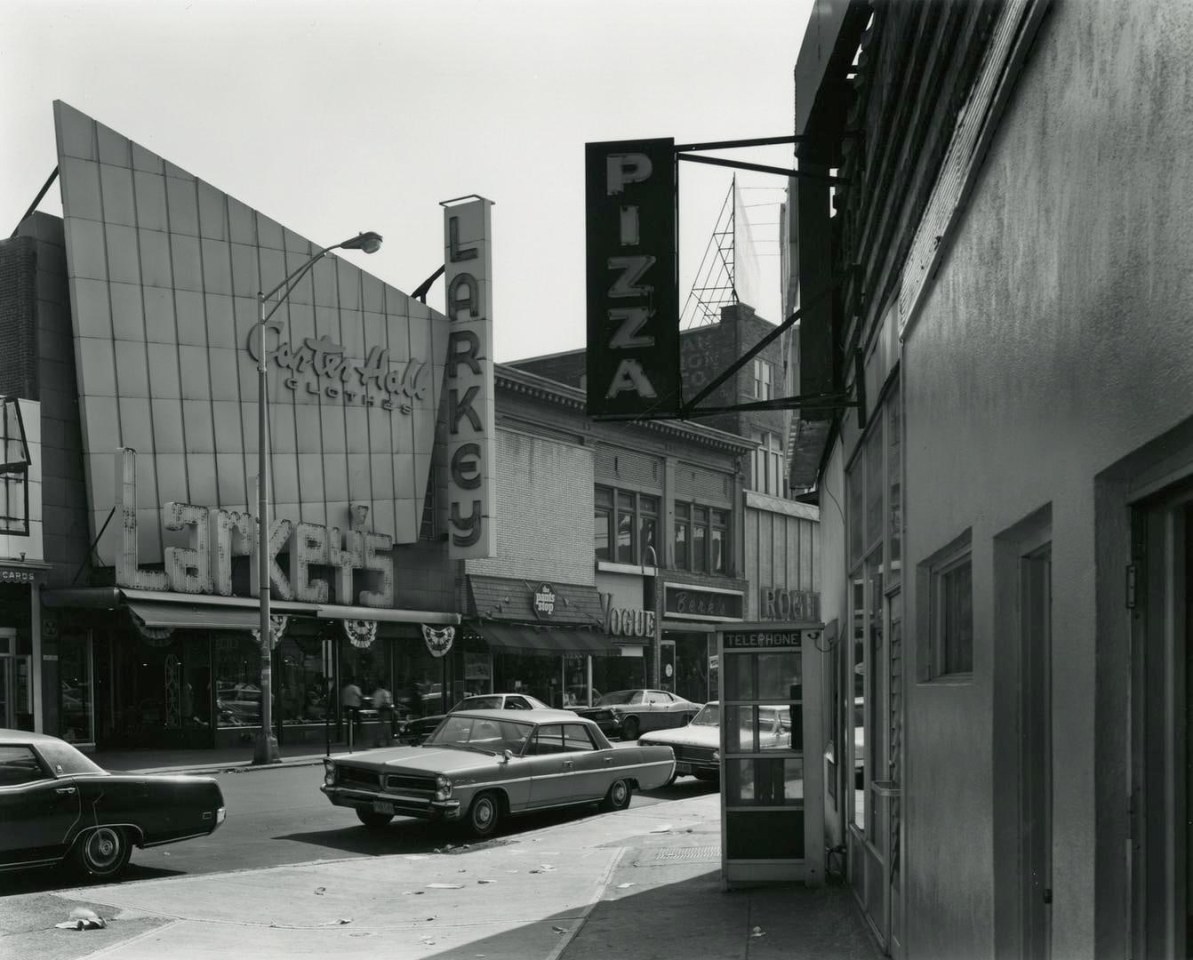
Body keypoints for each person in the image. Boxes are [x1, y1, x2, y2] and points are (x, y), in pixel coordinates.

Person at [342, 678, 363, 743]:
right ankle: (357, 737)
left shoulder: (345, 688)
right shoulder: (355, 688)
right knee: (357, 723)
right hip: (354, 707)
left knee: (349, 723)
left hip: (346, 707)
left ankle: (349, 740)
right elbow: (360, 696)